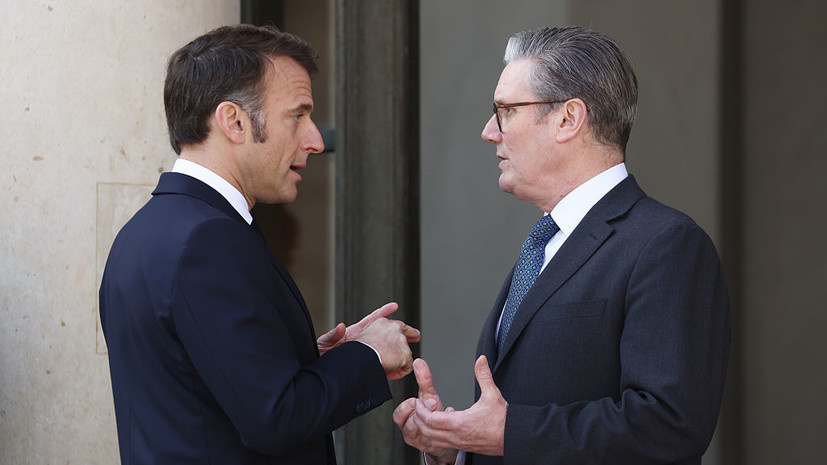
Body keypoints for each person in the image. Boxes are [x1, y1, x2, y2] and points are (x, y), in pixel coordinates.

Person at [393, 26, 730, 465]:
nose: (489, 131)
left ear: (568, 119)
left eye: (506, 110)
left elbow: (669, 426)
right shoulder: (545, 242)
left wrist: (508, 432)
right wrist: (457, 448)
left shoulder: (666, 244)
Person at [99, 24, 420, 465]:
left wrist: (310, 360)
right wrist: (370, 354)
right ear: (234, 121)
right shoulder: (207, 241)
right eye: (298, 116)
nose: (316, 140)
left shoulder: (141, 233)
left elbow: (205, 384)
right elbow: (275, 418)